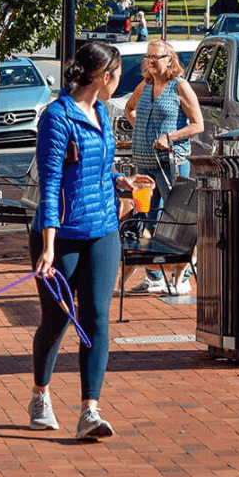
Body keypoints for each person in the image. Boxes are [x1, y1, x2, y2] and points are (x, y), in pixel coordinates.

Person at [28, 43, 154, 439]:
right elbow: (50, 184)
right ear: (104, 76)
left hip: (102, 230)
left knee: (96, 318)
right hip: (60, 236)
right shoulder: (57, 117)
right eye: (118, 73)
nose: (121, 81)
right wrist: (48, 246)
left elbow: (98, 169)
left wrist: (123, 183)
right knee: (57, 318)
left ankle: (90, 411)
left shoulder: (100, 111)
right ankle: (40, 393)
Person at [124, 39, 204, 294]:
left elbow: (197, 125)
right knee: (144, 215)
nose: (152, 61)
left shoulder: (180, 86)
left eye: (157, 57)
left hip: (171, 164)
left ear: (170, 59)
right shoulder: (145, 85)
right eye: (149, 57)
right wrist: (141, 133)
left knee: (177, 220)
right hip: (144, 166)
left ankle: (182, 276)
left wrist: (169, 137)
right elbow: (129, 108)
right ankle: (154, 274)